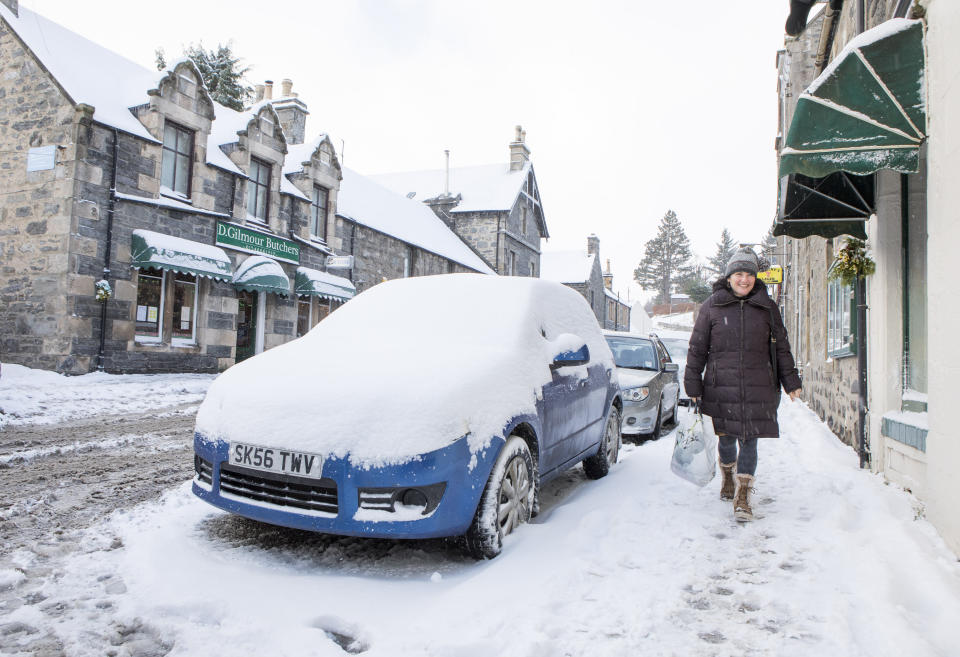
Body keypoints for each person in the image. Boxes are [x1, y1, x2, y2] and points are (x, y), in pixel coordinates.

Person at [684, 247, 802, 522]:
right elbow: (697, 348)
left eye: (749, 274)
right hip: (720, 386)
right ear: (729, 277)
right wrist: (693, 386)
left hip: (759, 385)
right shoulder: (712, 306)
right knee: (726, 439)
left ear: (755, 277)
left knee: (749, 440)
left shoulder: (767, 307)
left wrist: (791, 381)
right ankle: (727, 475)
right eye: (738, 274)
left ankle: (743, 496)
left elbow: (781, 347)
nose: (744, 279)